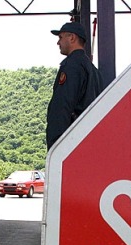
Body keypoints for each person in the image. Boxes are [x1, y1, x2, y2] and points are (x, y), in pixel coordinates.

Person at [46, 21, 103, 149]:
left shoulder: (71, 66)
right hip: (87, 140)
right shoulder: (93, 70)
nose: (58, 42)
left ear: (72, 38)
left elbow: (62, 106)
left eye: (61, 37)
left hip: (70, 142)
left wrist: (55, 147)